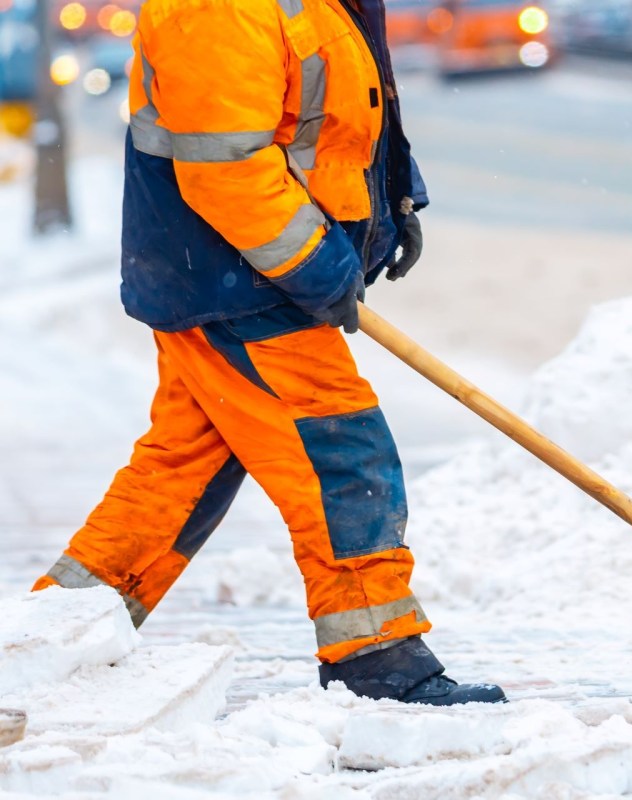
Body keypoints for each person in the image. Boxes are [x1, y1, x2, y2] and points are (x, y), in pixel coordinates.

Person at [31, 0, 504, 706]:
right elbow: (226, 167)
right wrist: (320, 265)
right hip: (237, 277)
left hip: (247, 271)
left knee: (183, 470)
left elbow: (346, 114)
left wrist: (395, 203)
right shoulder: (218, 7)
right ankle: (374, 654)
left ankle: (54, 633)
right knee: (338, 450)